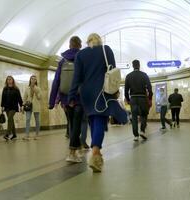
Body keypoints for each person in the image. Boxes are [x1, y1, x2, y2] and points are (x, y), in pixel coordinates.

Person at [68, 33, 127, 172]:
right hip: (102, 91)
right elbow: (112, 72)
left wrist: (71, 96)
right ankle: (95, 152)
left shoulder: (80, 55)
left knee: (94, 119)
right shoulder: (106, 50)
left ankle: (98, 152)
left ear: (88, 42)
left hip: (86, 93)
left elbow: (76, 78)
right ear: (99, 41)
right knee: (100, 119)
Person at [48, 36, 84, 163]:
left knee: (72, 124)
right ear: (80, 45)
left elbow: (56, 81)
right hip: (80, 98)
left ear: (70, 45)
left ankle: (77, 149)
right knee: (77, 125)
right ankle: (71, 152)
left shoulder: (62, 61)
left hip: (66, 98)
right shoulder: (83, 58)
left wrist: (52, 101)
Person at [125, 60, 153, 141]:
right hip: (142, 98)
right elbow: (149, 88)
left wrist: (128, 100)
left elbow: (126, 90)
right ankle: (142, 131)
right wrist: (150, 98)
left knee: (134, 117)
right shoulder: (144, 75)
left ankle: (135, 136)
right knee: (144, 115)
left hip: (133, 98)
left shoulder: (128, 76)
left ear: (132, 66)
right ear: (139, 65)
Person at [1, 76, 23, 140]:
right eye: (8, 79)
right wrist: (2, 106)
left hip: (14, 107)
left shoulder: (16, 89)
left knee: (10, 118)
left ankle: (7, 133)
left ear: (12, 80)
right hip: (7, 107)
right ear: (6, 81)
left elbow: (19, 98)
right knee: (11, 120)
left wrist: (21, 106)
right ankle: (14, 134)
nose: (9, 80)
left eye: (10, 79)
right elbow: (3, 98)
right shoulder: (5, 89)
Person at [23, 75, 42, 140]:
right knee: (27, 119)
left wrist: (35, 91)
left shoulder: (38, 88)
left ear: (36, 81)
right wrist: (23, 106)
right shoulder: (27, 88)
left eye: (34, 79)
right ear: (30, 80)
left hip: (36, 106)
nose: (33, 80)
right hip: (28, 106)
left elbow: (39, 98)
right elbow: (24, 98)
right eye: (32, 79)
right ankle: (27, 135)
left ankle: (37, 134)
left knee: (37, 120)